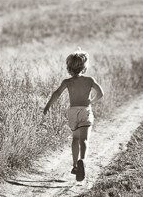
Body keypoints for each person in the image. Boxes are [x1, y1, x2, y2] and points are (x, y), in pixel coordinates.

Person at [43, 49, 104, 181]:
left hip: (73, 112)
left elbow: (56, 94)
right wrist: (91, 101)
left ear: (69, 67)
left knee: (75, 139)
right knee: (84, 140)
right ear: (84, 67)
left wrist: (47, 106)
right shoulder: (89, 80)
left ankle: (75, 165)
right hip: (85, 111)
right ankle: (83, 160)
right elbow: (101, 93)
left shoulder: (67, 82)